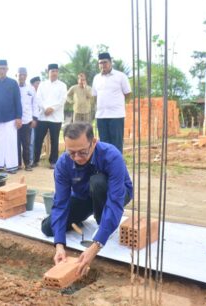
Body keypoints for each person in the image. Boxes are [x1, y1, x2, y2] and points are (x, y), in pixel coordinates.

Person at [41, 122, 133, 275]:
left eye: (82, 152)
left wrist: (96, 244)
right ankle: (84, 218)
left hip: (114, 192)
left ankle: (102, 224)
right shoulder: (63, 163)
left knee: (97, 183)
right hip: (84, 196)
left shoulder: (111, 156)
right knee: (48, 227)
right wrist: (59, 245)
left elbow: (115, 200)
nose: (77, 157)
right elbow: (60, 203)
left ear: (94, 142)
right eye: (71, 152)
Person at [92, 52, 132, 153]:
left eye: (105, 62)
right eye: (100, 63)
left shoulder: (121, 76)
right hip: (101, 116)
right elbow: (95, 96)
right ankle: (105, 167)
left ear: (110, 63)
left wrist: (116, 104)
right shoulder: (96, 78)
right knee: (104, 144)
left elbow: (127, 94)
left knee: (116, 143)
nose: (102, 65)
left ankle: (116, 167)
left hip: (116, 115)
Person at [33, 64, 67, 169]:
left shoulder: (62, 85)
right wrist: (45, 109)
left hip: (56, 117)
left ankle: (53, 161)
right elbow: (38, 98)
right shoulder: (42, 85)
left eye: (56, 71)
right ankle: (35, 160)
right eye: (52, 71)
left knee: (54, 140)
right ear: (48, 72)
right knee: (38, 139)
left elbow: (62, 100)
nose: (54, 73)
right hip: (43, 116)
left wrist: (52, 108)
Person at [16, 67, 38, 171]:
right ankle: (18, 164)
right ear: (16, 75)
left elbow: (35, 104)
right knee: (15, 144)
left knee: (26, 144)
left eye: (24, 74)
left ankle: (27, 164)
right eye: (20, 74)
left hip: (27, 120)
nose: (22, 76)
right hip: (15, 121)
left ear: (26, 76)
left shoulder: (31, 88)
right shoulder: (13, 87)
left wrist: (34, 119)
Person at [29, 76, 41, 163]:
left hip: (42, 120)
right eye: (37, 83)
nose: (39, 85)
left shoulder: (42, 93)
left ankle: (36, 158)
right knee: (31, 140)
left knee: (37, 140)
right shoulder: (29, 93)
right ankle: (31, 159)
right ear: (32, 85)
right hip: (32, 120)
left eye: (39, 83)